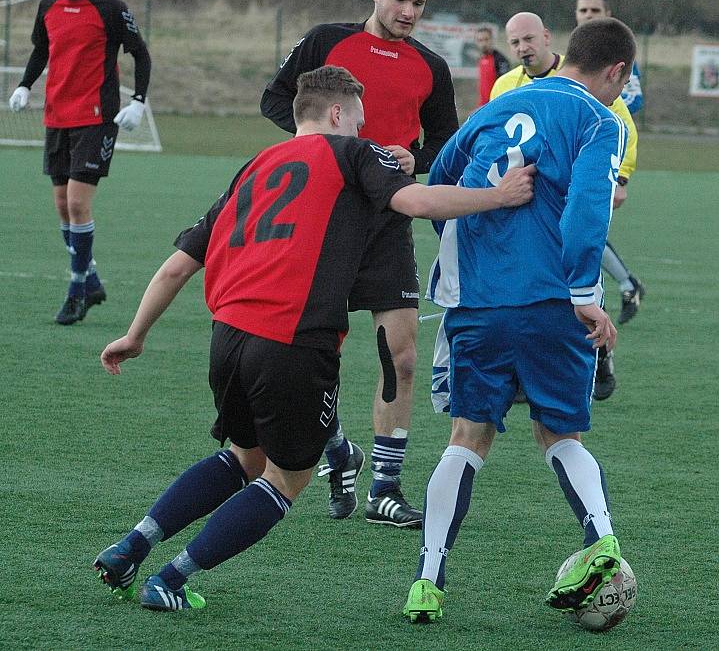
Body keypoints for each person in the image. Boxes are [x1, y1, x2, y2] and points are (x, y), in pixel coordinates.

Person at [93, 66, 535, 612]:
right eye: (359, 120)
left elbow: (177, 268)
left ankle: (130, 546)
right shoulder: (354, 153)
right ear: (336, 114)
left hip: (228, 336)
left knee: (243, 457)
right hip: (293, 342)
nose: (363, 130)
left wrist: (135, 335)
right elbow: (417, 203)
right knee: (285, 481)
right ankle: (171, 579)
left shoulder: (254, 166)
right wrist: (498, 195)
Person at [403, 18, 635, 624]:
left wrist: (479, 253)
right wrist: (586, 294)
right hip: (552, 301)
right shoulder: (599, 120)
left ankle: (428, 579)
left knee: (466, 438)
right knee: (560, 435)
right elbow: (587, 208)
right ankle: (603, 544)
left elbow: (442, 185)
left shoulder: (496, 107)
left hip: (477, 305)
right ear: (616, 72)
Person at [261, 0, 458, 528]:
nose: (408, 12)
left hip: (389, 215)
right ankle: (337, 447)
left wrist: (413, 156)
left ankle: (385, 489)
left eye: (418, 4)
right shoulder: (326, 42)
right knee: (315, 352)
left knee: (399, 353)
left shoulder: (432, 67)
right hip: (322, 212)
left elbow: (446, 147)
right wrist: (328, 146)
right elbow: (277, 101)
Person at [487, 12, 639, 401]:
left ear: (548, 38)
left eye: (528, 39)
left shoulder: (600, 99)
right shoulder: (505, 86)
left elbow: (621, 130)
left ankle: (596, 358)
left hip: (565, 201)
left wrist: (618, 177)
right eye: (515, 42)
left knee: (576, 265)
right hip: (518, 209)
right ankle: (532, 375)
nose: (523, 48)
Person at [8, 0, 151, 325]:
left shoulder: (111, 8)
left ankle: (76, 292)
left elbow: (141, 53)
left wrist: (137, 101)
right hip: (57, 117)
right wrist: (24, 84)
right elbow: (42, 51)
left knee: (77, 205)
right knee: (61, 207)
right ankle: (92, 280)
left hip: (96, 117)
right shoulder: (48, 7)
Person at [576, 0, 646, 327]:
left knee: (583, 229)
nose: (588, 16)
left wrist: (622, 176)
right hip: (575, 159)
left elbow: (630, 112)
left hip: (604, 158)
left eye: (595, 10)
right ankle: (625, 284)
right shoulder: (571, 61)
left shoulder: (622, 62)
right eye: (583, 11)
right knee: (576, 228)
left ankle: (611, 292)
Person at [475, 25, 510, 107]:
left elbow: (505, 85)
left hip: (495, 105)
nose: (484, 43)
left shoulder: (500, 60)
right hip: (483, 106)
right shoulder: (481, 59)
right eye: (480, 40)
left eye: (486, 39)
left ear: (492, 40)